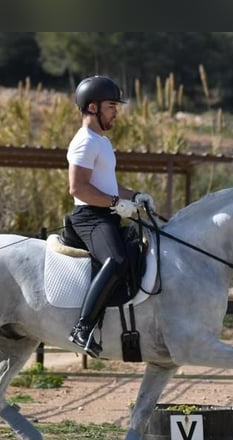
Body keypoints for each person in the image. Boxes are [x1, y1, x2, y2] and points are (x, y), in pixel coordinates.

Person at [66, 75, 155, 358]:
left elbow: (108, 185)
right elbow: (78, 188)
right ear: (92, 108)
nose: (116, 110)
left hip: (107, 213)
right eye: (111, 105)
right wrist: (117, 203)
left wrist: (134, 196)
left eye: (116, 105)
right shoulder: (85, 142)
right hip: (90, 217)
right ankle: (82, 328)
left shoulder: (101, 141)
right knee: (115, 261)